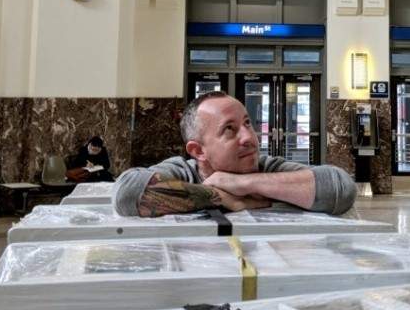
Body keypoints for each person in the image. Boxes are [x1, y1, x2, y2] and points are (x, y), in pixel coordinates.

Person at [114, 90, 356, 217]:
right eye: (229, 129)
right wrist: (220, 197)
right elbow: (128, 193)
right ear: (198, 151)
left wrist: (240, 182)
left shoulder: (268, 168)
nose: (249, 138)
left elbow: (340, 188)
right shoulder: (182, 171)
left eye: (248, 123)